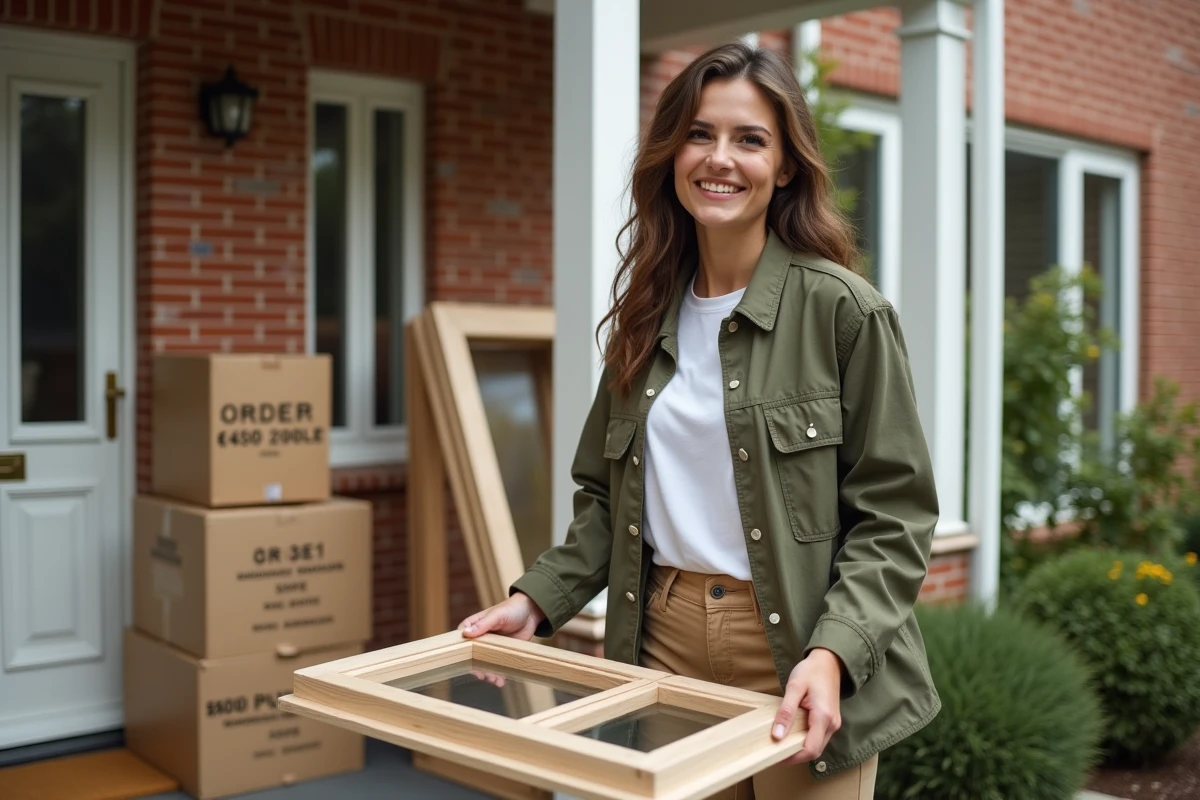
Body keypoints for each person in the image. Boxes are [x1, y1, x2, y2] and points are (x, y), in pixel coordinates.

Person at [459, 40, 940, 800]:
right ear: (672, 153)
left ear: (785, 166)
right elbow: (606, 501)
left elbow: (895, 514)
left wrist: (834, 653)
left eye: (750, 139)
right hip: (662, 639)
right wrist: (536, 601)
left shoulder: (843, 312)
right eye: (700, 133)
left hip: (798, 647)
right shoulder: (645, 319)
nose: (721, 158)